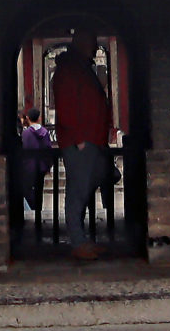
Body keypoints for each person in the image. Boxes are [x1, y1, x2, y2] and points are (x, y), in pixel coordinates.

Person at [51, 33, 114, 257]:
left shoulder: (83, 69)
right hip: (80, 140)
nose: (95, 48)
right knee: (77, 189)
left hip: (94, 139)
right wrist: (78, 138)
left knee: (96, 177)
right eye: (92, 43)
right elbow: (66, 106)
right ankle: (78, 242)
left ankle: (82, 237)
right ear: (82, 44)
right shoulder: (68, 70)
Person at [16, 107, 54, 218]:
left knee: (29, 190)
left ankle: (31, 211)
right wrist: (48, 166)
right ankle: (39, 211)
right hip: (41, 167)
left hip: (28, 167)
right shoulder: (45, 132)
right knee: (39, 189)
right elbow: (48, 150)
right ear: (39, 118)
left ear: (28, 118)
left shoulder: (26, 134)